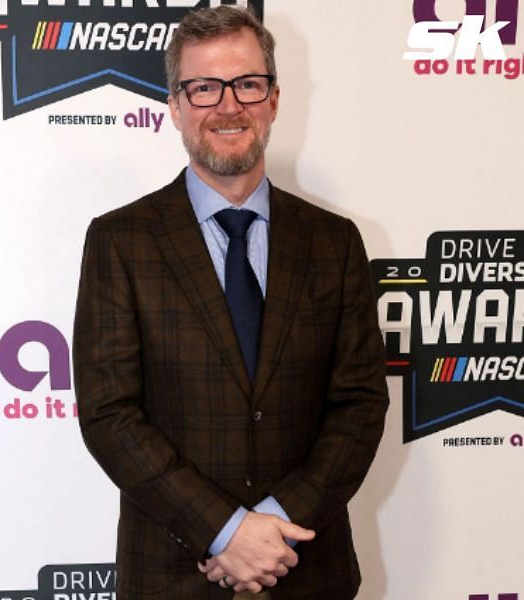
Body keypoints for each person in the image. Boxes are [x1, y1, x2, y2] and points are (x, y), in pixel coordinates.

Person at [73, 7, 388, 599]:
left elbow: (360, 405)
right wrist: (224, 531)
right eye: (204, 88)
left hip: (307, 570)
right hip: (173, 574)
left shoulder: (334, 242)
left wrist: (272, 527)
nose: (228, 105)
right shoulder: (121, 240)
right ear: (175, 106)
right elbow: (109, 414)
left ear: (273, 99)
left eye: (247, 83)